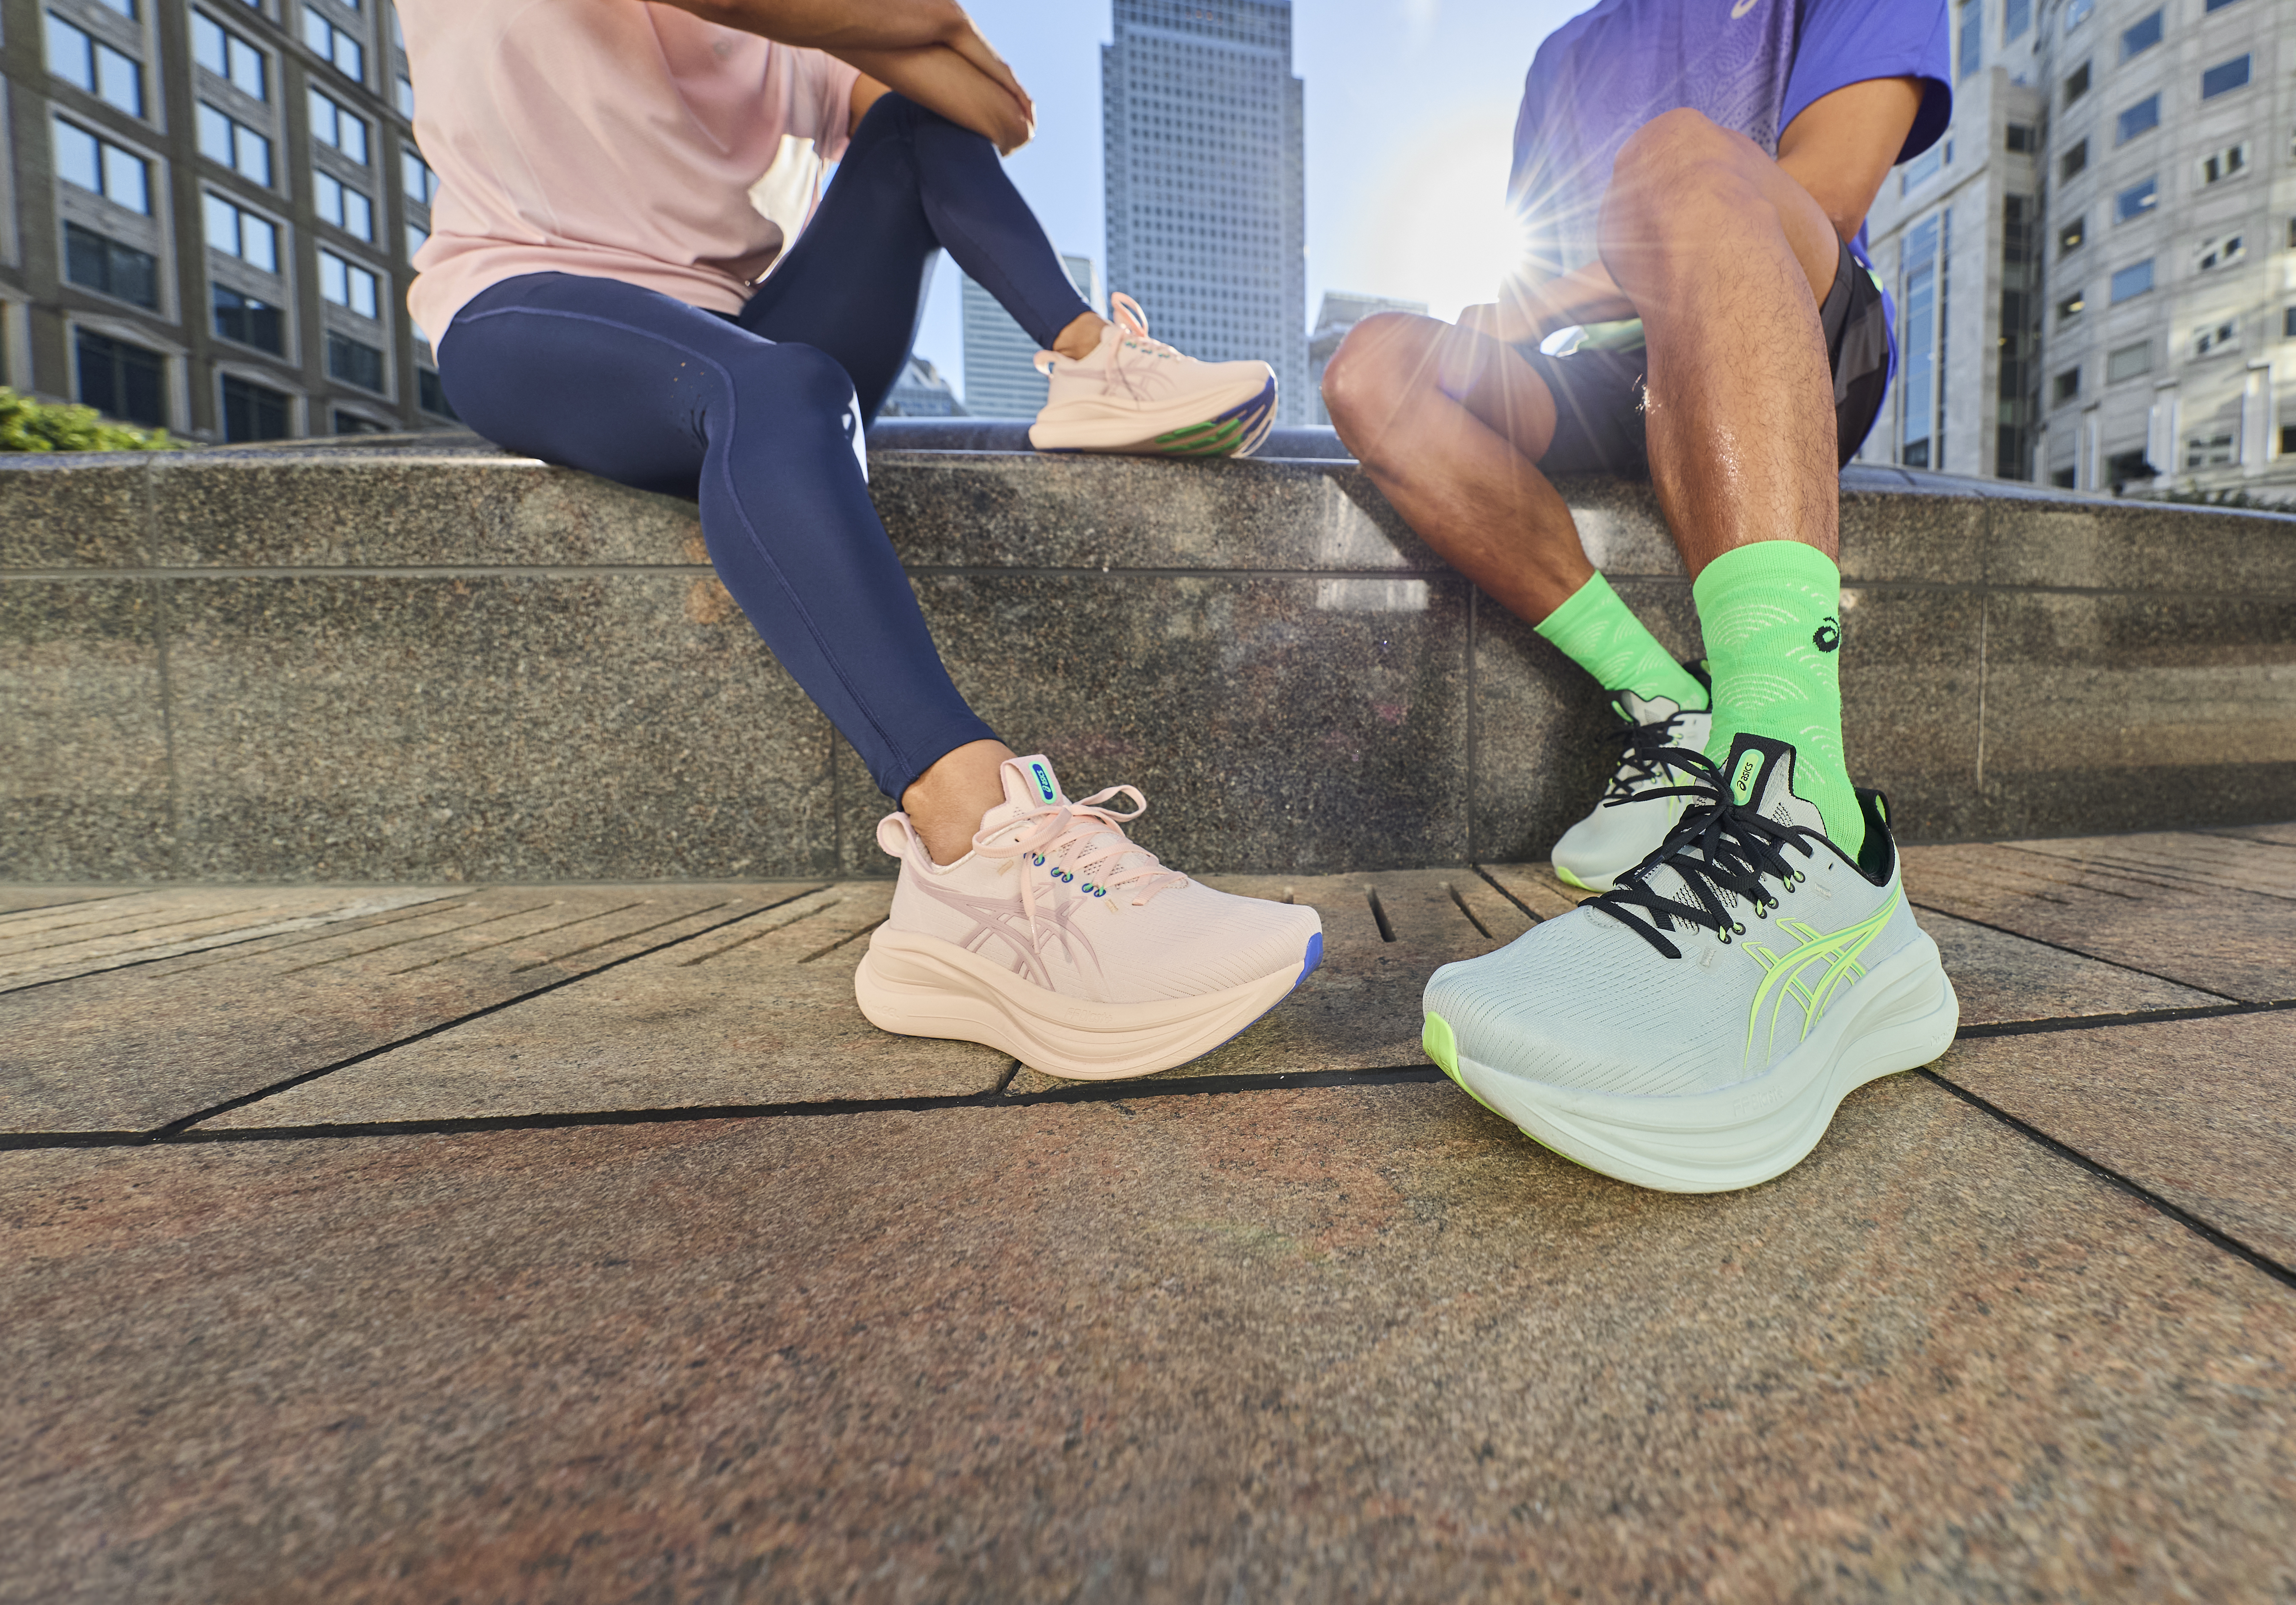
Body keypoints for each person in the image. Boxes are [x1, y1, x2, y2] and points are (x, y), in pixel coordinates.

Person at [397, 0, 1320, 1081]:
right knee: (779, 387)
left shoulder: (799, 37)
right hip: (530, 309)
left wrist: (903, 42)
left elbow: (989, 114)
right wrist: (916, 21)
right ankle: (965, 844)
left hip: (743, 327)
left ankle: (1088, 360)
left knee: (909, 133)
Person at [1321, 0, 1961, 1192]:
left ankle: (1801, 811)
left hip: (1790, 306)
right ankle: (1673, 712)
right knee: (1375, 366)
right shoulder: (1562, 55)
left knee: (1677, 159)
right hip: (1615, 356)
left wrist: (1559, 290)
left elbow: (1824, 188)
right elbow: (1535, 259)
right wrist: (1528, 311)